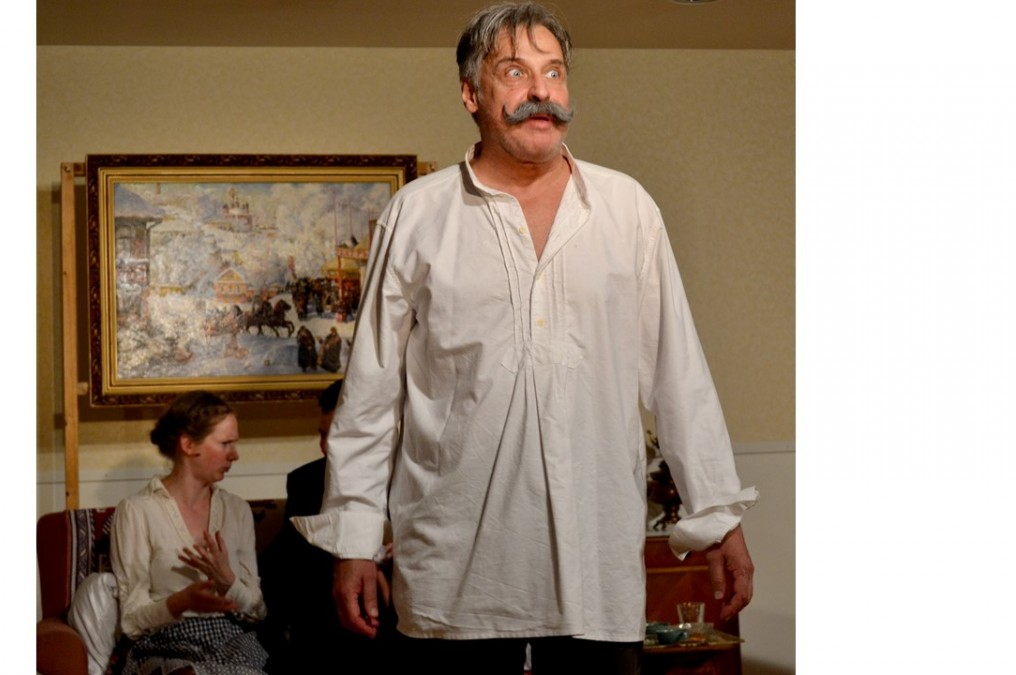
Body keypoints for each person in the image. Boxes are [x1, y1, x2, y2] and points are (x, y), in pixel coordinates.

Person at [291, 3, 758, 674]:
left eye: (554, 72)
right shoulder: (417, 215)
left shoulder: (627, 209)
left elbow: (676, 374)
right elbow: (369, 394)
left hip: (595, 572)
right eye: (515, 72)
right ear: (470, 93)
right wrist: (355, 541)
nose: (542, 90)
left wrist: (717, 515)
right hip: (453, 575)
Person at [110, 390, 270, 675]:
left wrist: (228, 581)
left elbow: (257, 613)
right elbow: (131, 622)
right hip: (164, 645)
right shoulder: (137, 511)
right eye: (225, 443)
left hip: (232, 643)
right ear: (188, 444)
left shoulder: (237, 510)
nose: (235, 455)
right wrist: (183, 601)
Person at [258, 380, 395, 674]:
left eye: (336, 438)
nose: (325, 447)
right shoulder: (306, 481)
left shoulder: (410, 479)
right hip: (326, 617)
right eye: (322, 435)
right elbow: (289, 563)